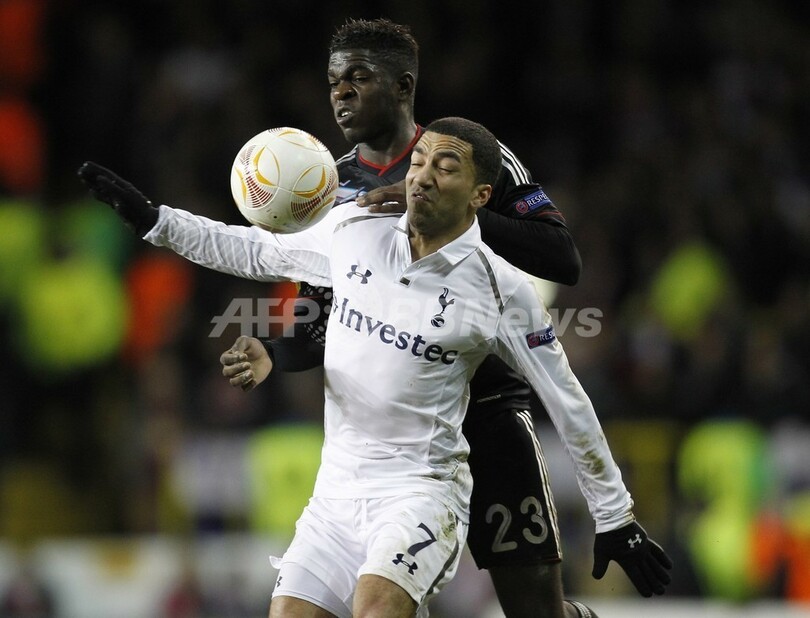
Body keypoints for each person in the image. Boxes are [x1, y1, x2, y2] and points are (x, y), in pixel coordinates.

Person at [78, 116, 670, 617]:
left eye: (447, 167)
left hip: (422, 493)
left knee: (378, 607)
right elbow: (253, 249)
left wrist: (615, 516)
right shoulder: (354, 231)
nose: (424, 175)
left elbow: (568, 403)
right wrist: (155, 221)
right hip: (335, 495)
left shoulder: (503, 290)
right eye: (421, 162)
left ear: (480, 196)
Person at [252, 18, 668, 618]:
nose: (340, 93)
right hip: (397, 445)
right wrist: (274, 350)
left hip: (490, 418)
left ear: (403, 86)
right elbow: (320, 315)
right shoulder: (330, 188)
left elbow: (562, 257)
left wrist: (452, 211)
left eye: (358, 78)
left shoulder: (469, 157)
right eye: (334, 80)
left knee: (536, 613)